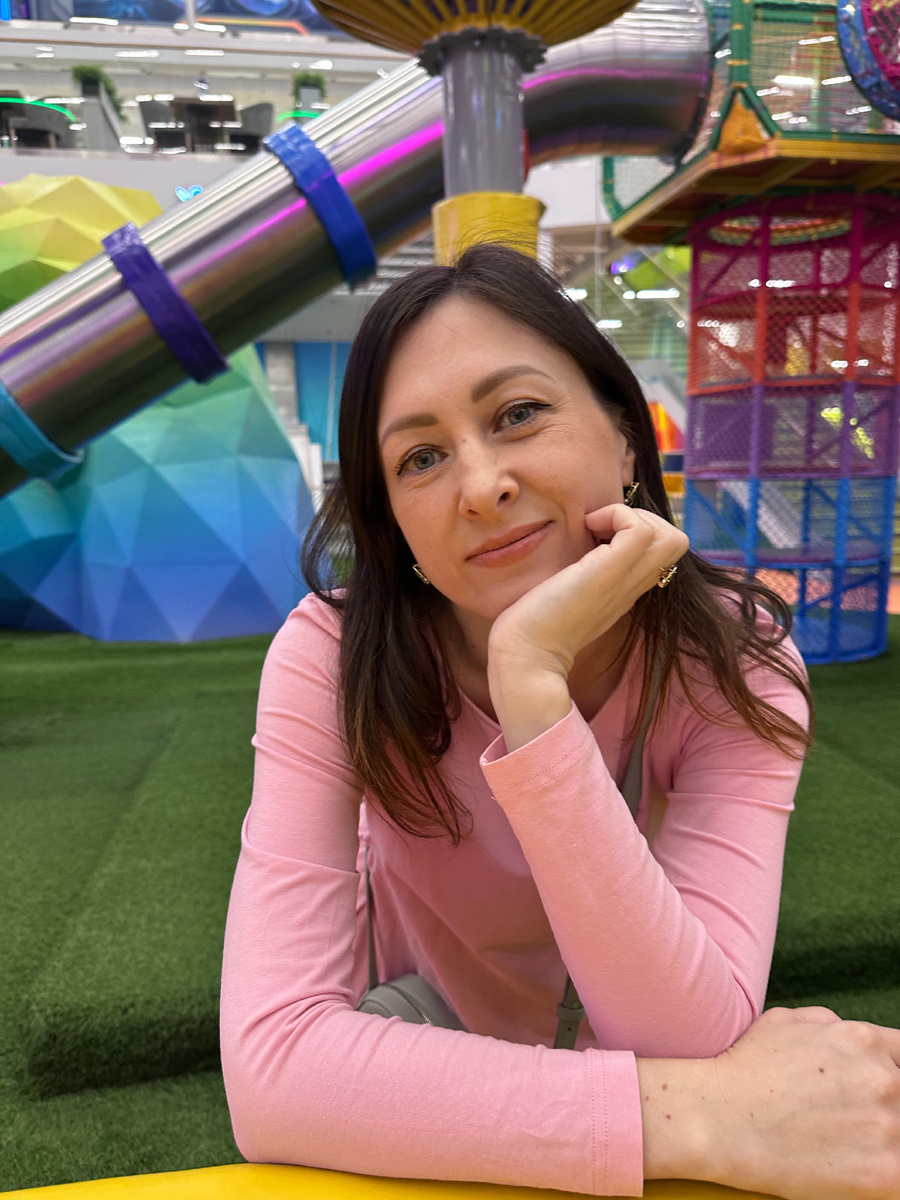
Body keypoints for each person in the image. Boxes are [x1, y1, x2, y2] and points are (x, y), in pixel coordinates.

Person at [220, 243, 900, 1199]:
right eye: (421, 457)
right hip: (426, 1046)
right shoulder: (330, 657)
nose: (481, 485)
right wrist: (706, 1116)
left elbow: (684, 1037)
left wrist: (531, 686)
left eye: (518, 414)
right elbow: (277, 1075)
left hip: (602, 1042)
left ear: (625, 436)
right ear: (394, 524)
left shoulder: (736, 663)